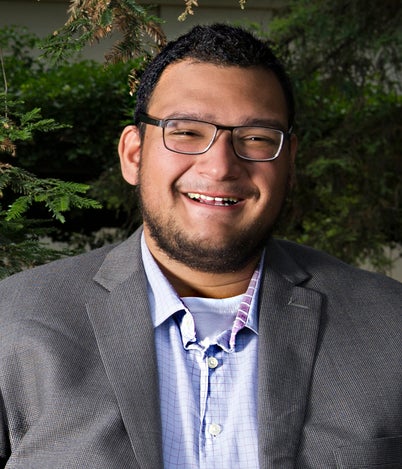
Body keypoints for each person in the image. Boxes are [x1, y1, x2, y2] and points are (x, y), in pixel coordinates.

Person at [0, 23, 401, 469]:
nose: (220, 166)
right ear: (134, 154)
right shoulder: (12, 322)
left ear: (289, 162)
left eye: (256, 138)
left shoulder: (391, 326)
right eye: (187, 132)